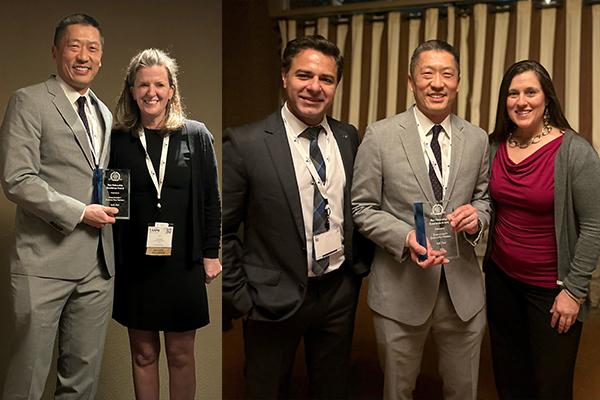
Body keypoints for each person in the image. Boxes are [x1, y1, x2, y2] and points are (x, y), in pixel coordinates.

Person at [222, 35, 371, 399]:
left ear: (336, 85)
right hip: (270, 300)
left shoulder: (348, 136)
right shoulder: (246, 143)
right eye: (304, 75)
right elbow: (221, 230)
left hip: (337, 292)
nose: (315, 87)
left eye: (326, 79)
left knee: (332, 389)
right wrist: (242, 298)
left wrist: (355, 276)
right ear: (284, 77)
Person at [351, 39, 492, 400]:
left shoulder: (476, 139)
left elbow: (485, 199)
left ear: (458, 82)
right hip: (401, 291)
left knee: (464, 392)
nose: (437, 82)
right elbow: (362, 208)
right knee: (397, 391)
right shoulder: (380, 136)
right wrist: (405, 237)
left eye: (447, 74)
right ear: (411, 81)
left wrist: (477, 218)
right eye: (427, 73)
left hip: (463, 295)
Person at [0, 14, 116, 399]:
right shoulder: (29, 101)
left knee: (82, 382)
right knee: (27, 377)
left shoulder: (104, 112)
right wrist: (80, 212)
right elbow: (17, 179)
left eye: (93, 48)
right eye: (74, 45)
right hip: (43, 264)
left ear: (101, 58)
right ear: (55, 52)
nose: (84, 56)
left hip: (98, 268)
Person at [485, 59, 600, 400]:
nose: (521, 101)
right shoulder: (495, 146)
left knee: (551, 386)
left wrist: (574, 291)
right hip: (501, 280)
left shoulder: (575, 152)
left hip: (552, 291)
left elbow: (594, 226)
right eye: (513, 93)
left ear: (547, 98)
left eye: (530, 92)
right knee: (509, 378)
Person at [110, 48, 221, 399]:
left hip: (183, 262)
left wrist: (210, 253)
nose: (151, 92)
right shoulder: (117, 140)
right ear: (131, 90)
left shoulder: (196, 135)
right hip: (135, 264)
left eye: (159, 84)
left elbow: (210, 199)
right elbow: (112, 203)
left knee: (180, 355)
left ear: (172, 89)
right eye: (143, 85)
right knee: (143, 354)